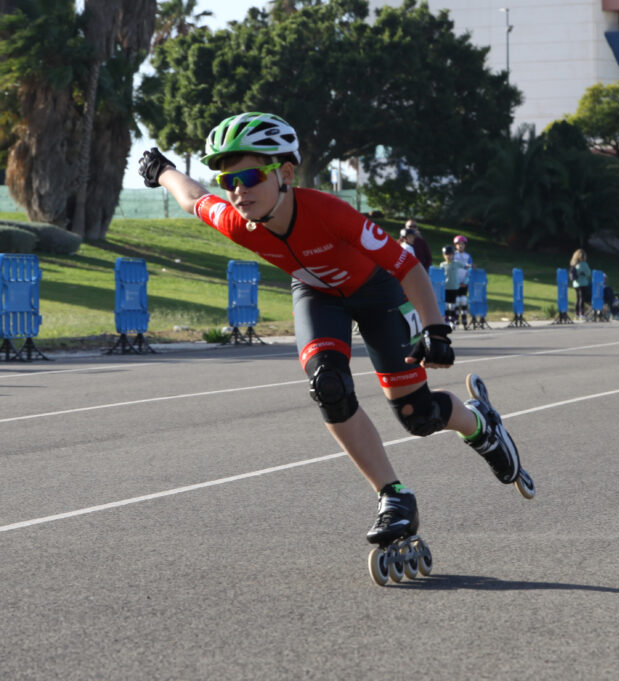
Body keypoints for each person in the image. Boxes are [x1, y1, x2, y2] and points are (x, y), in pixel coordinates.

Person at [137, 112, 534, 572]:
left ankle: (480, 424)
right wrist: (162, 170)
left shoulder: (329, 213)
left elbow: (407, 266)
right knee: (328, 384)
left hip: (378, 293)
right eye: (229, 179)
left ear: (285, 174)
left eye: (248, 176)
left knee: (418, 416)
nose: (236, 190)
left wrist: (435, 328)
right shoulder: (236, 219)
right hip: (317, 293)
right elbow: (193, 199)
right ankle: (394, 496)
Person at [439, 244, 465, 328]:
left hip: (454, 287)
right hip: (446, 287)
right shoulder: (442, 264)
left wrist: (470, 266)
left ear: (453, 255)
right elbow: (439, 275)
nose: (449, 256)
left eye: (450, 254)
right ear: (444, 255)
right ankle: (446, 320)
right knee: (446, 305)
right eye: (447, 255)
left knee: (453, 305)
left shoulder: (456, 263)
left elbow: (465, 266)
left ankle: (453, 320)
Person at [452, 235, 474, 329]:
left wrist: (466, 281)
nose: (460, 246)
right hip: (455, 282)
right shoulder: (453, 255)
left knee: (464, 301)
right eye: (458, 244)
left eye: (462, 244)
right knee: (456, 301)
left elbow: (470, 271)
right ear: (455, 245)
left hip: (464, 282)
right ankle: (455, 319)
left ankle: (464, 320)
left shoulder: (467, 256)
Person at [569, 248, 592, 320]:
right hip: (583, 283)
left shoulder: (575, 264)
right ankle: (581, 313)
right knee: (582, 299)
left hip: (576, 284)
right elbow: (588, 273)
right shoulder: (584, 264)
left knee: (578, 298)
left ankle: (577, 314)